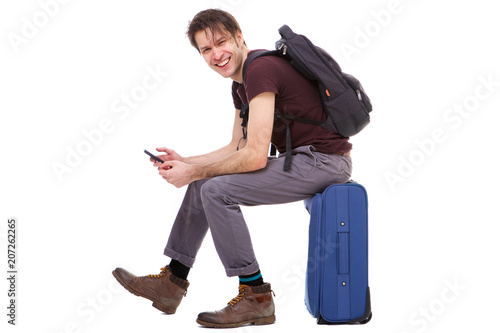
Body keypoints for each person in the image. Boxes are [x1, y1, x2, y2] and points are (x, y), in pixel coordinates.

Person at [112, 8, 352, 328]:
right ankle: (171, 282)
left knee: (214, 188)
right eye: (206, 50)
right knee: (203, 184)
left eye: (221, 42)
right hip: (302, 160)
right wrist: (187, 163)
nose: (216, 54)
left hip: (325, 162)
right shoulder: (240, 85)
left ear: (239, 37)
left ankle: (256, 296)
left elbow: (253, 157)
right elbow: (237, 147)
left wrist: (195, 172)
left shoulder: (260, 70)